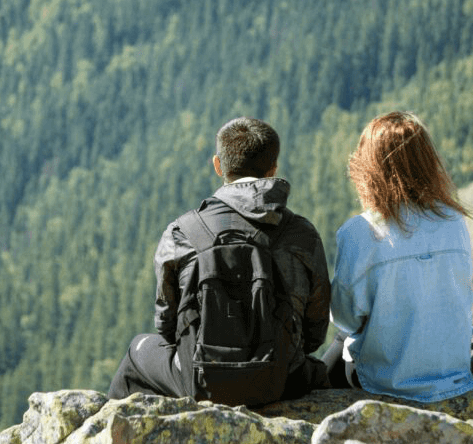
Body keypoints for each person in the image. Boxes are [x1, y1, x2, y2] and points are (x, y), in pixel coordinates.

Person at [108, 117, 331, 404]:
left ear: (218, 165)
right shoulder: (302, 234)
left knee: (136, 351)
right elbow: (315, 333)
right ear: (273, 169)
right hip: (282, 380)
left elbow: (166, 325)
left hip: (200, 381)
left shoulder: (182, 233)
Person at [322, 111, 473, 402]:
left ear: (369, 169)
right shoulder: (455, 221)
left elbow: (345, 318)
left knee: (339, 345)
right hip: (454, 377)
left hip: (385, 383)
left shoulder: (360, 231)